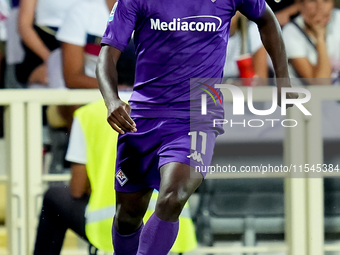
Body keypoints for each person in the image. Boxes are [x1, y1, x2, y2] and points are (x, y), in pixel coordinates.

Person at [96, 0, 297, 254]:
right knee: (128, 215)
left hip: (201, 110)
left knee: (174, 197)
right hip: (144, 116)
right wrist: (112, 100)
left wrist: (283, 78)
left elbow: (267, 18)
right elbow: (107, 54)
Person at [282, 0, 340, 85]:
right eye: (313, 1)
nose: (320, 7)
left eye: (326, 1)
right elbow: (321, 86)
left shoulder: (338, 18)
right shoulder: (290, 33)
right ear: (300, 5)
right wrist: (320, 39)